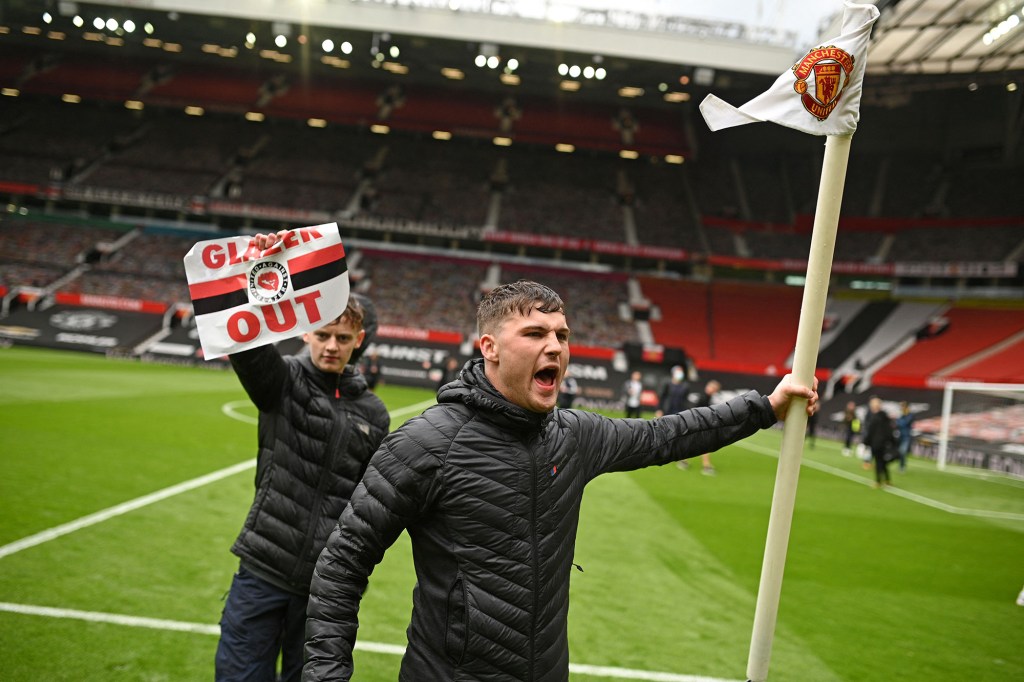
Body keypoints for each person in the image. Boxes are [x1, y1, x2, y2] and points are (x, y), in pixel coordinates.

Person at [302, 279, 818, 681]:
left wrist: (764, 407)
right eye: (535, 334)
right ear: (490, 346)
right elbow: (342, 565)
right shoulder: (426, 444)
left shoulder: (573, 436)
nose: (556, 347)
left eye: (562, 336)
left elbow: (666, 436)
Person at [215, 254, 391, 681]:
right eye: (324, 334)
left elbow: (372, 506)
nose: (331, 346)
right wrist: (256, 275)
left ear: (358, 340)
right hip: (263, 570)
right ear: (307, 331)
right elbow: (247, 345)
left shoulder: (375, 414)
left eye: (342, 338)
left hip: (326, 588)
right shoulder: (283, 380)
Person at [689, 379, 722, 475]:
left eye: (714, 388)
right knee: (705, 445)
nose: (711, 389)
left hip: (702, 424)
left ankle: (683, 460)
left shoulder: (709, 398)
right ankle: (706, 466)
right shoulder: (703, 398)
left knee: (697, 444)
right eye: (711, 386)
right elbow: (696, 412)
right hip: (699, 424)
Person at [863, 396, 895, 488]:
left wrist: (866, 442)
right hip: (884, 443)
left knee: (878, 462)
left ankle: (878, 481)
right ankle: (887, 480)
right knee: (883, 461)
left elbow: (870, 431)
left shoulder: (874, 417)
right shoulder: (885, 416)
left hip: (876, 443)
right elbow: (889, 430)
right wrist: (891, 442)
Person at [895, 401, 914, 472]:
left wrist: (899, 421)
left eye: (902, 407)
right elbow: (897, 423)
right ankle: (901, 465)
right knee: (900, 451)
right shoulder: (901, 415)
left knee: (902, 451)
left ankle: (902, 466)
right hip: (900, 436)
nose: (901, 408)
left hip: (906, 436)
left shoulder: (910, 415)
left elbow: (903, 423)